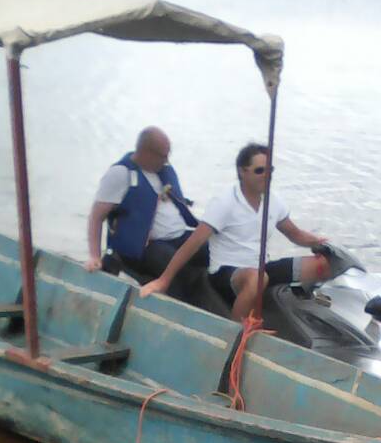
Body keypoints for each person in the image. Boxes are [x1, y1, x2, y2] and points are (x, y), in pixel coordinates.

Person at [140, 143, 331, 320]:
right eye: (259, 170)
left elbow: (295, 234)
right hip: (226, 272)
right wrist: (163, 281)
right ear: (242, 171)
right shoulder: (224, 202)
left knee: (323, 265)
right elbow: (193, 243)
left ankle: (301, 308)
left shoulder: (273, 200)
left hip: (260, 267)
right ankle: (237, 332)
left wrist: (319, 242)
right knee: (257, 279)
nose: (267, 175)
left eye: (270, 170)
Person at [85, 126, 207, 299]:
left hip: (178, 235)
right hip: (145, 246)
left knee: (214, 249)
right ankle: (183, 305)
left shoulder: (164, 172)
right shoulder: (121, 174)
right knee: (175, 265)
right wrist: (94, 256)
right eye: (163, 156)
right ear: (146, 152)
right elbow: (96, 217)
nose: (167, 161)